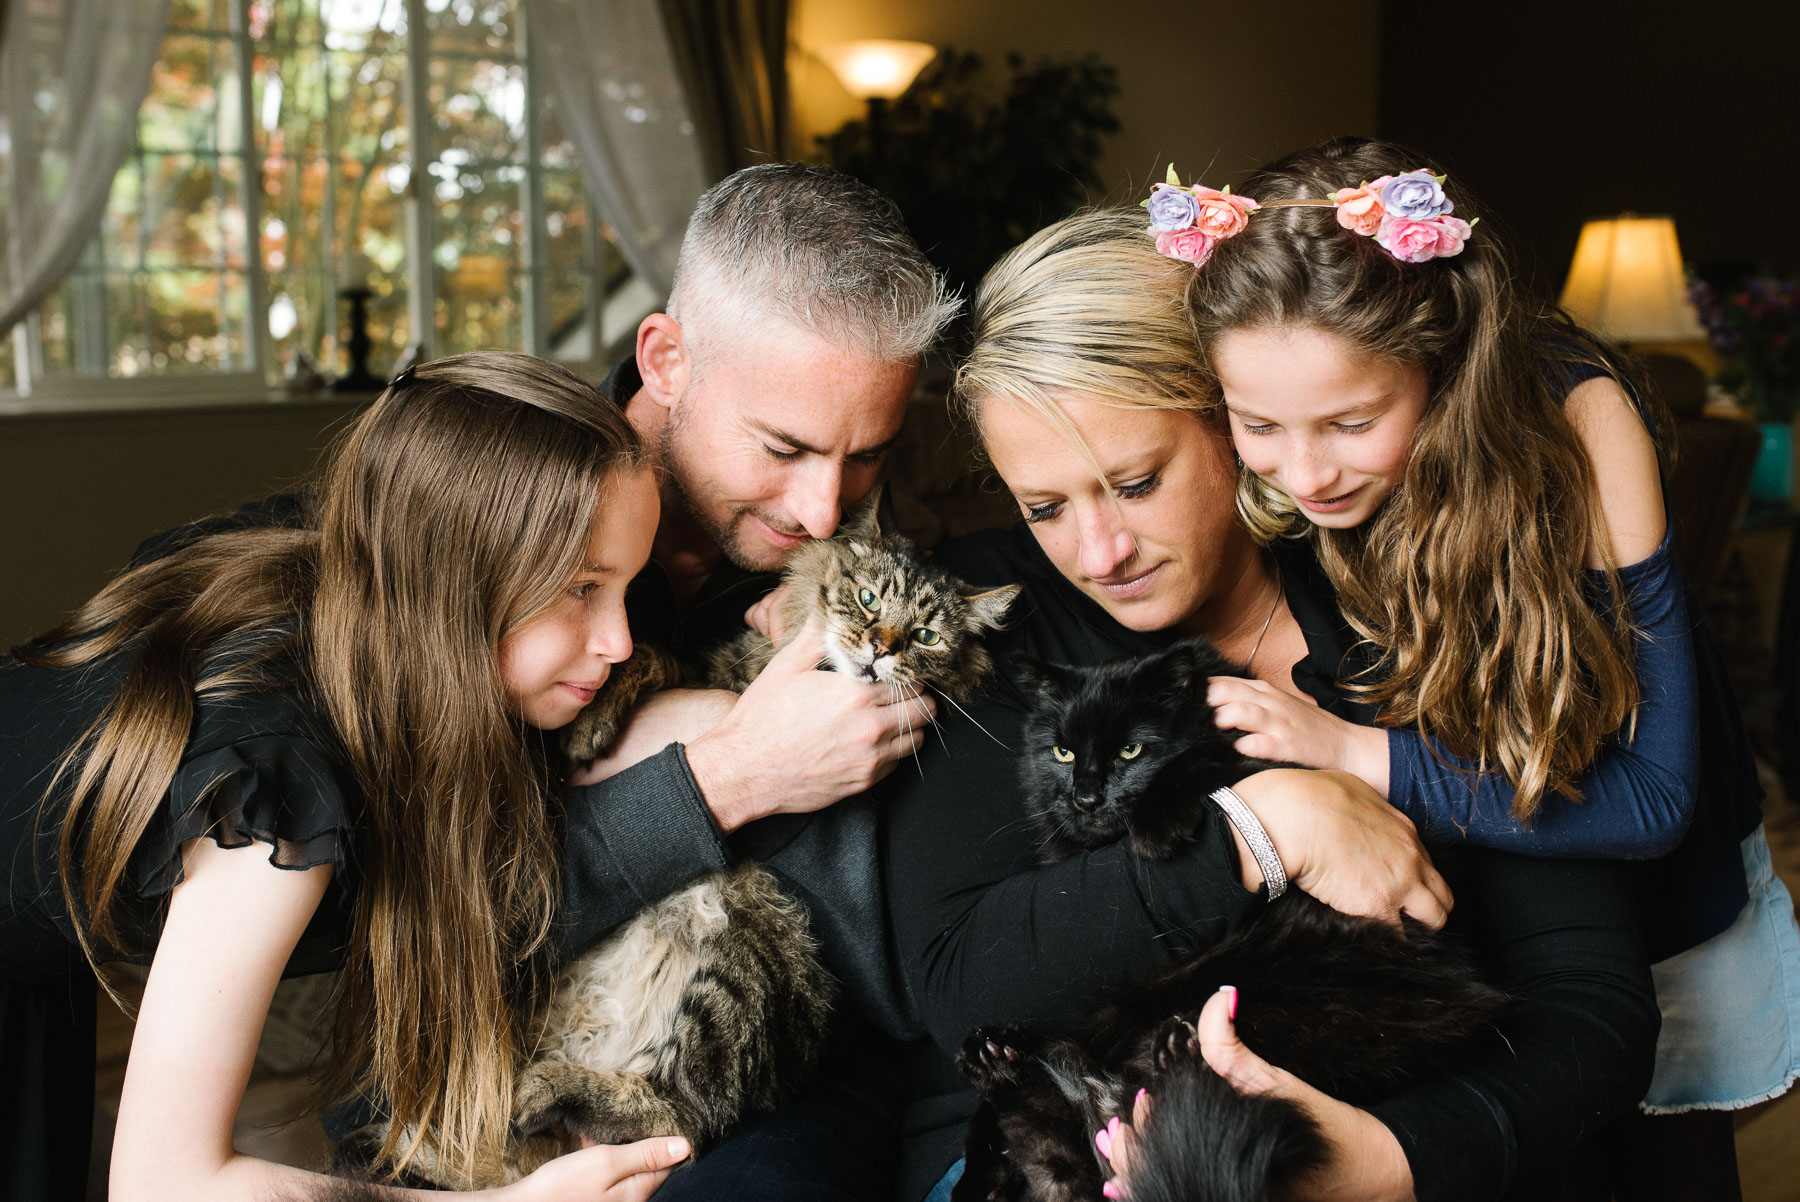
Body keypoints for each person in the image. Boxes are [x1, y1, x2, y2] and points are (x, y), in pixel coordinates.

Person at [879, 203, 1661, 1202]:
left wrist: (1384, 1158)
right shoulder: (995, 626)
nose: (1097, 551)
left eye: (1135, 481)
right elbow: (959, 981)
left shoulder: (1421, 606)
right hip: (1049, 1148)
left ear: (1234, 420)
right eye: (1045, 506)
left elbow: (1592, 1003)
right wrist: (1260, 826)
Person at [1170, 137, 1799, 1198]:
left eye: (1351, 422)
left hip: (1651, 883)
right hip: (1493, 876)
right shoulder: (1300, 471)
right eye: (1258, 424)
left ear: (1440, 355)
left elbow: (1648, 801)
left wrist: (1347, 752)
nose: (1304, 470)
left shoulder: (1578, 416)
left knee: (1668, 1162)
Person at [0, 353, 694, 1200]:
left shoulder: (372, 565)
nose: (619, 641)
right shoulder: (271, 786)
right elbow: (164, 1183)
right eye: (583, 588)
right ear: (451, 576)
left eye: (625, 584)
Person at [549, 161, 958, 1199]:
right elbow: (441, 894)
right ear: (667, 357)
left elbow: (889, 951)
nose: (825, 508)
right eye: (783, 447)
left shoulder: (855, 557)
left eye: (866, 455)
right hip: (509, 1019)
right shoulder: (506, 518)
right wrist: (726, 764)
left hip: (790, 1055)